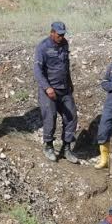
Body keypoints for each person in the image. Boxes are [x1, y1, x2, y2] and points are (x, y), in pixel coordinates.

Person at [34, 21, 78, 163]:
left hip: (64, 89)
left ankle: (66, 147)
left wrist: (70, 82)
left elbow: (66, 65)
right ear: (52, 33)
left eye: (63, 34)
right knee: (50, 117)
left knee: (71, 117)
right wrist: (47, 88)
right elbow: (37, 71)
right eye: (59, 34)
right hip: (49, 90)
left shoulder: (65, 44)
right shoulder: (43, 47)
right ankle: (48, 146)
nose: (61, 37)